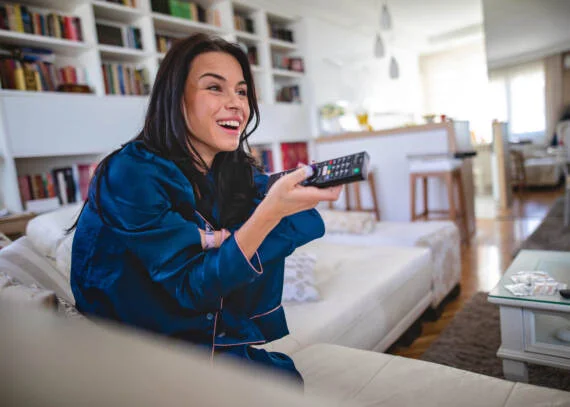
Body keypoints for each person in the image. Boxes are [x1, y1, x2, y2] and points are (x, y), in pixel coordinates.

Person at [69, 33, 341, 386]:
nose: (237, 105)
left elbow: (260, 190)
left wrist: (300, 181)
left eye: (242, 92)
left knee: (286, 380)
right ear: (176, 98)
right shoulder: (128, 173)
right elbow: (190, 286)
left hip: (196, 336)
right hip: (137, 353)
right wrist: (270, 213)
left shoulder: (222, 170)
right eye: (215, 88)